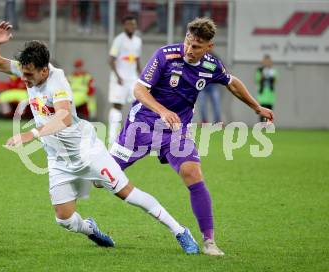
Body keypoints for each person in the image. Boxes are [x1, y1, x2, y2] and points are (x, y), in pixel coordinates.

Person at [0, 21, 200, 253]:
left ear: (44, 70)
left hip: (87, 152)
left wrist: (32, 133)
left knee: (127, 194)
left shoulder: (57, 82)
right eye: (23, 73)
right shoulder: (29, 69)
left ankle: (180, 231)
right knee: (64, 219)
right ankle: (90, 229)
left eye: (29, 75)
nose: (24, 79)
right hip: (58, 159)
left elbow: (64, 117)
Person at [110, 17, 274, 256]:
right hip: (141, 127)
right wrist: (163, 111)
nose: (189, 49)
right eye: (188, 41)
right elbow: (139, 89)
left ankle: (209, 241)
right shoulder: (165, 56)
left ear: (209, 47)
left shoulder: (211, 66)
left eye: (196, 46)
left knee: (192, 172)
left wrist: (256, 107)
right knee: (102, 178)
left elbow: (232, 82)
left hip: (176, 130)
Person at [107, 15, 142, 145]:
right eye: (129, 24)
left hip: (133, 78)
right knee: (117, 105)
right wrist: (118, 76)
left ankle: (134, 135)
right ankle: (112, 137)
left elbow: (137, 60)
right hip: (119, 79)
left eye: (133, 24)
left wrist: (142, 76)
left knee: (139, 104)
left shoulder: (138, 41)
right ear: (124, 26)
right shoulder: (119, 40)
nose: (131, 26)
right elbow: (111, 60)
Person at [255, 54, 277, 122]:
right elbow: (257, 80)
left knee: (269, 113)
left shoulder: (273, 71)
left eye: (268, 61)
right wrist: (262, 76)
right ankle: (261, 126)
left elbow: (275, 81)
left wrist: (271, 77)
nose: (267, 63)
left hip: (270, 96)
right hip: (262, 95)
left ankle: (269, 127)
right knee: (261, 112)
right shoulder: (259, 71)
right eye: (265, 61)